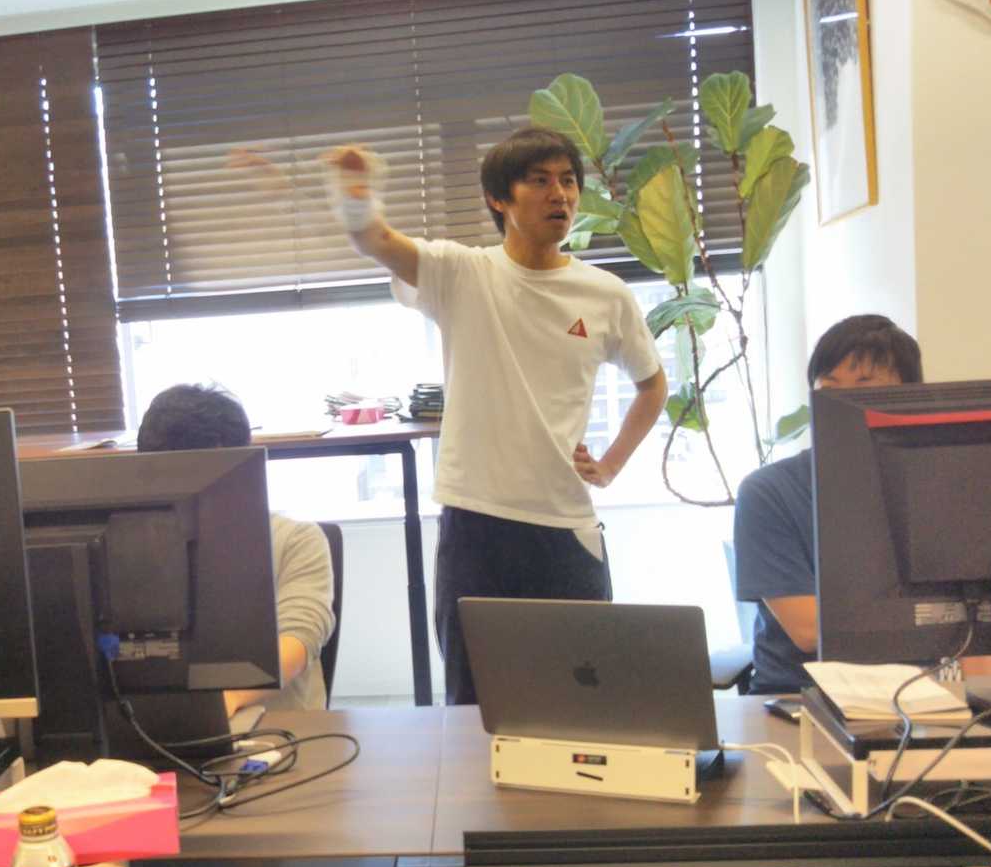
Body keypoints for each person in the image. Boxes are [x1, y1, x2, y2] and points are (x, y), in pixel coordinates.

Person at [324, 128, 668, 705]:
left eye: (568, 181)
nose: (560, 194)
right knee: (474, 705)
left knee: (585, 705)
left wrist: (610, 465)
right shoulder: (463, 273)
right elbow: (375, 239)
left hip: (566, 526)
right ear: (499, 198)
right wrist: (356, 193)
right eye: (540, 181)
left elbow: (652, 384)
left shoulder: (605, 294)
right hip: (477, 527)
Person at [733, 314, 991, 693]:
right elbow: (808, 630)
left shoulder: (942, 493)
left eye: (865, 388)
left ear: (910, 398)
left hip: (915, 697)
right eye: (828, 389)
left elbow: (976, 630)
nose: (841, 405)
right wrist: (939, 618)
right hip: (799, 698)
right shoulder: (769, 491)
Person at [137, 383, 336, 711]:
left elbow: (300, 637)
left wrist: (224, 704)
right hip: (153, 724)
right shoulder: (130, 545)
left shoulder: (295, 539)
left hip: (277, 728)